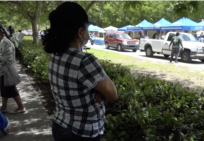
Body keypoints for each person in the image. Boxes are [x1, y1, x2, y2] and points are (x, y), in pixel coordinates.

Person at [42, 2, 118, 141]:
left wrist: (98, 89)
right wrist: (100, 90)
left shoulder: (56, 55)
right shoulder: (85, 61)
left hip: (60, 126)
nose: (88, 32)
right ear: (80, 32)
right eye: (87, 28)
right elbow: (113, 94)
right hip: (82, 133)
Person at [0, 26, 26, 113]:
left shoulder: (6, 43)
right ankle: (4, 107)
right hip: (4, 70)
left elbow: (7, 59)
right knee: (4, 89)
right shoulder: (2, 42)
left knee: (11, 88)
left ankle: (21, 107)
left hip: (7, 71)